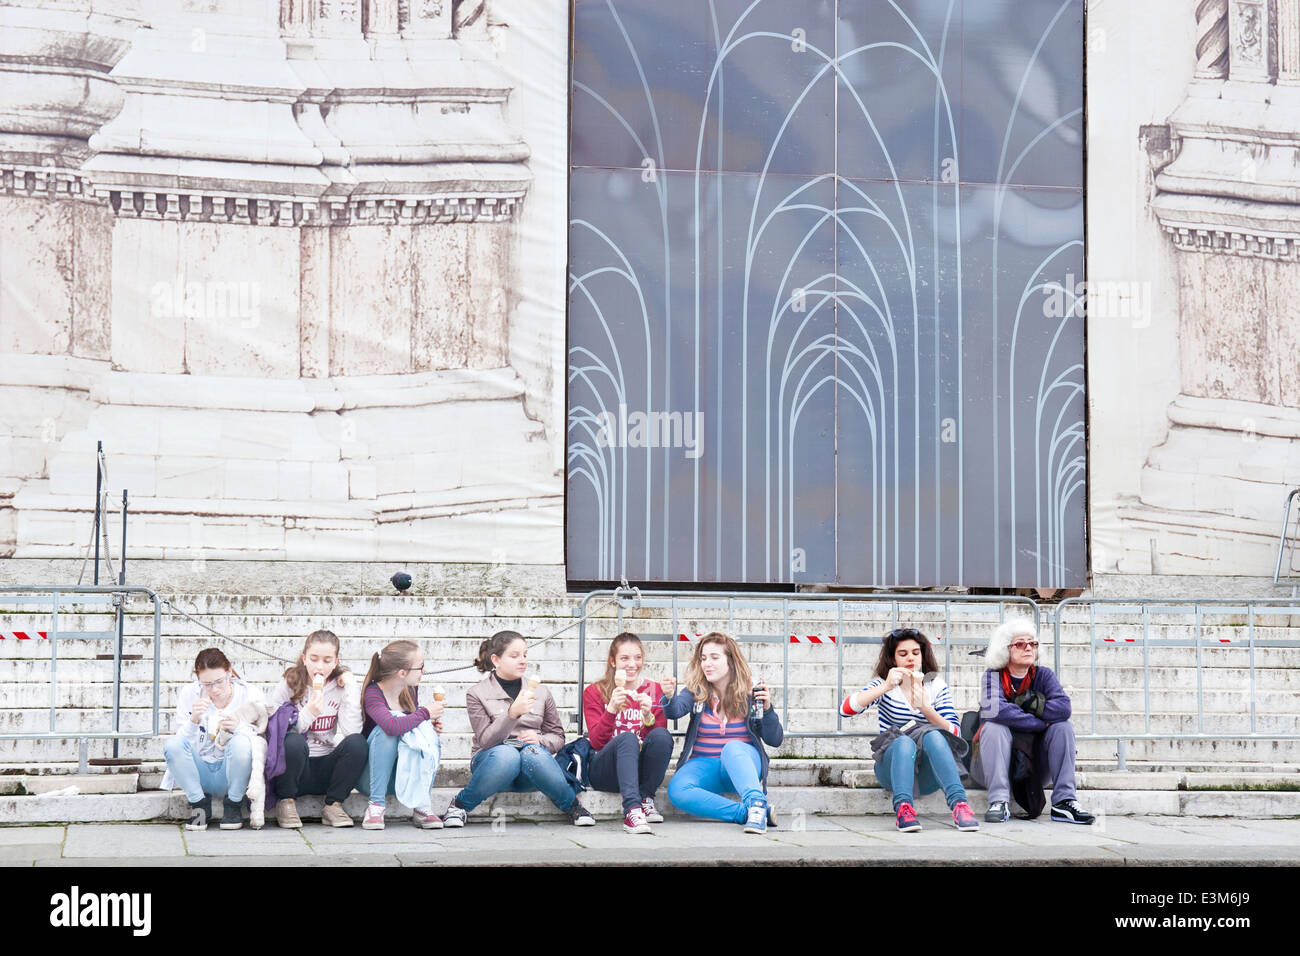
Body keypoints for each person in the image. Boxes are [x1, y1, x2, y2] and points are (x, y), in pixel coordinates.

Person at [442, 630, 594, 827]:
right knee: (508, 755)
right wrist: (511, 714)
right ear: (495, 660)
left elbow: (558, 737)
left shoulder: (541, 692)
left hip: (531, 769)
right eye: (514, 656)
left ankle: (573, 806)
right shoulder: (477, 693)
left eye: (524, 655)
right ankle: (460, 806)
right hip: (492, 764)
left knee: (533, 754)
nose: (522, 660)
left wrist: (540, 740)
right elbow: (485, 741)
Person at [839, 628, 979, 833]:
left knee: (933, 735)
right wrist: (886, 686)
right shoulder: (885, 684)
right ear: (893, 659)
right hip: (893, 767)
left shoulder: (936, 686)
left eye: (915, 652)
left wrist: (926, 709)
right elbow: (845, 710)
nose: (910, 658)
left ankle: (960, 805)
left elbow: (955, 733)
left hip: (928, 774)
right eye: (902, 654)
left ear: (923, 655)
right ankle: (904, 808)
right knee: (904, 741)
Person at [970, 617, 1095, 824]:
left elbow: (1063, 708)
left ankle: (1064, 802)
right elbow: (996, 710)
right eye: (1020, 644)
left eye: (1032, 643)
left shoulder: (1044, 675)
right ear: (1005, 649)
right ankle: (999, 802)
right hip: (994, 764)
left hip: (1033, 763)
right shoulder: (992, 676)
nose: (1028, 648)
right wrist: (1039, 723)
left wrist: (1028, 707)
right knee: (994, 727)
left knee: (1062, 727)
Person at [662, 632, 784, 834]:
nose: (706, 663)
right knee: (677, 790)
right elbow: (676, 710)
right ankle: (747, 813)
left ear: (730, 661)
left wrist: (768, 709)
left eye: (714, 657)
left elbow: (775, 739)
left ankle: (755, 801)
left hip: (742, 764)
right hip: (704, 765)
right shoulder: (696, 692)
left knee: (733, 747)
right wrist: (668, 696)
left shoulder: (750, 694)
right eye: (703, 658)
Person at [266, 629, 365, 828]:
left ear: (336, 662)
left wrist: (351, 688)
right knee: (293, 741)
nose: (320, 666)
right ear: (304, 659)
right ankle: (285, 802)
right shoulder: (289, 683)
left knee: (358, 744)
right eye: (314, 658)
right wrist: (308, 712)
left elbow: (352, 731)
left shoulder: (340, 686)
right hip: (294, 769)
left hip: (325, 766)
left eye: (327, 660)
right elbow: (274, 731)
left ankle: (333, 805)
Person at [162, 647, 266, 831]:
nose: (215, 689)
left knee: (242, 742)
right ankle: (199, 804)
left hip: (232, 771)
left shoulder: (250, 694)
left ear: (229, 672)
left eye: (219, 681)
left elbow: (262, 740)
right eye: (207, 684)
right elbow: (181, 745)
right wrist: (193, 720)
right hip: (201, 770)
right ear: (198, 679)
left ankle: (233, 804)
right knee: (172, 745)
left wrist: (239, 727)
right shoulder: (190, 694)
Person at [582, 632, 672, 833]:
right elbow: (596, 742)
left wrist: (648, 715)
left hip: (639, 771)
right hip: (605, 769)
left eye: (637, 658)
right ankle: (632, 809)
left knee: (662, 736)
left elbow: (659, 744)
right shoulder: (595, 691)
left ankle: (646, 797)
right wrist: (611, 709)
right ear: (613, 662)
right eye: (625, 658)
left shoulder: (654, 690)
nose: (632, 664)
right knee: (627, 738)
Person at [357, 640, 445, 829]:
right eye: (420, 667)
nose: (424, 671)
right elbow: (391, 726)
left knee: (428, 733)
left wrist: (426, 726)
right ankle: (376, 805)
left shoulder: (410, 690)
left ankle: (422, 806)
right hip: (371, 777)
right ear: (402, 673)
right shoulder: (373, 693)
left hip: (404, 774)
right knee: (386, 731)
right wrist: (425, 713)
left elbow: (407, 728)